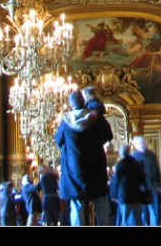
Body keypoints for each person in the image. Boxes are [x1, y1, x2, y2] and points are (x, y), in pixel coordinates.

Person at [57, 90, 114, 225]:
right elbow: (109, 136)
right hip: (96, 167)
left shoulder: (66, 123)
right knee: (101, 204)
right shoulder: (97, 119)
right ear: (84, 102)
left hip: (75, 170)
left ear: (71, 105)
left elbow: (59, 141)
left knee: (77, 206)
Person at [130, 135, 161, 225]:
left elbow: (157, 171)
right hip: (141, 190)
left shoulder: (152, 155)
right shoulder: (133, 158)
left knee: (156, 213)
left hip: (153, 188)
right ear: (135, 145)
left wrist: (159, 185)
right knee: (144, 214)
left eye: (144, 142)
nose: (143, 144)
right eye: (141, 143)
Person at [111, 143, 147, 226]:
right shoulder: (137, 164)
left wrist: (113, 195)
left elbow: (115, 181)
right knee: (137, 220)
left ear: (121, 153)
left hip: (124, 196)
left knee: (124, 220)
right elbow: (142, 180)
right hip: (136, 196)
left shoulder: (119, 165)